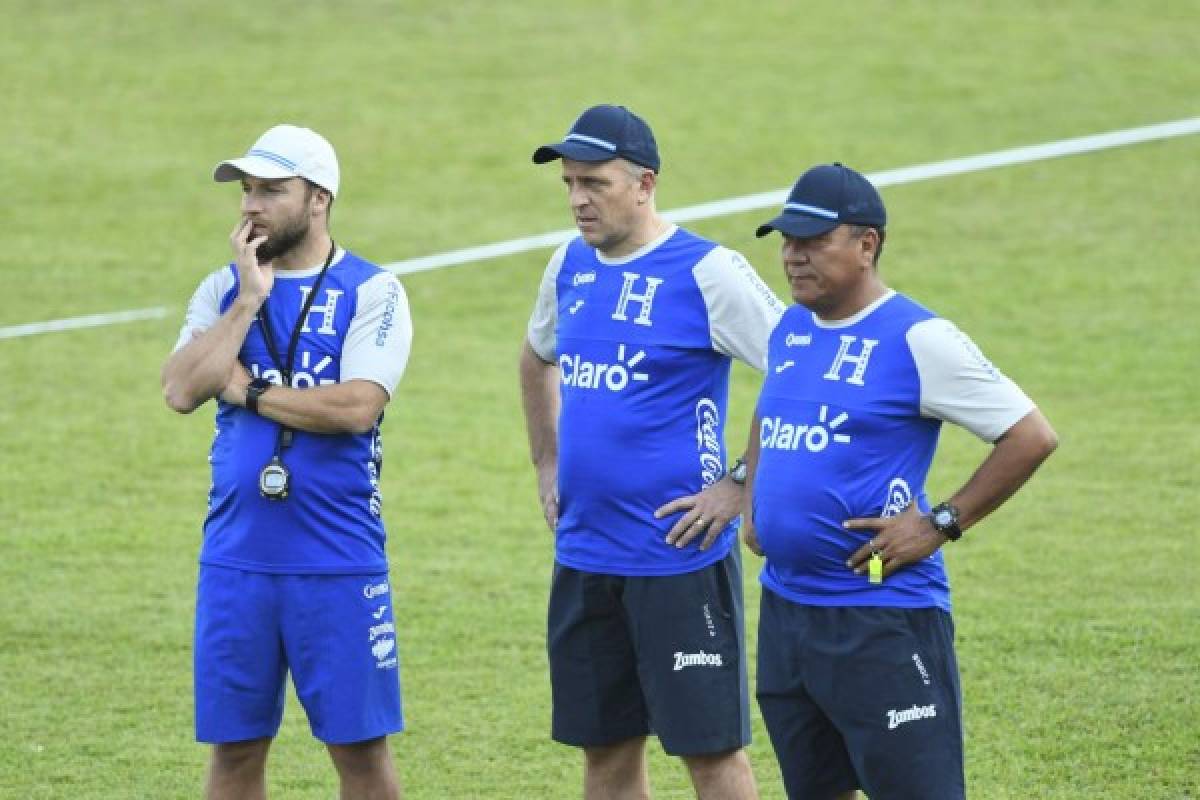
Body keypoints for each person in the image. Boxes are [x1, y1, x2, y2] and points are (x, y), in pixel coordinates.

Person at [743, 163, 1058, 800]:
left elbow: (1030, 435)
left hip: (880, 620)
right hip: (787, 614)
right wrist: (753, 501)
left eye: (813, 241)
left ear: (868, 245)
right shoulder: (792, 327)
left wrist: (941, 523)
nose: (793, 257)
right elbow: (771, 409)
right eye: (786, 241)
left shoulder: (919, 338)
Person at [519, 104, 785, 799]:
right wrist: (546, 461)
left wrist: (738, 484)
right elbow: (536, 355)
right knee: (605, 753)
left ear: (644, 183)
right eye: (570, 183)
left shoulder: (708, 271)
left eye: (594, 183)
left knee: (711, 753)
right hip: (584, 554)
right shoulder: (568, 265)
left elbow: (800, 374)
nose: (578, 199)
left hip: (677, 558)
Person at [161, 124, 412, 800]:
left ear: (318, 199)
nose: (250, 206)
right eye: (246, 191)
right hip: (236, 561)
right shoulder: (223, 289)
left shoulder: (373, 291)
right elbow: (182, 388)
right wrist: (248, 301)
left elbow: (355, 407)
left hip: (336, 561)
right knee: (235, 754)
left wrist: (247, 390)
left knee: (360, 755)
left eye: (272, 191)